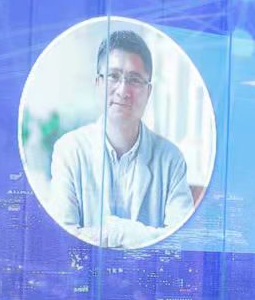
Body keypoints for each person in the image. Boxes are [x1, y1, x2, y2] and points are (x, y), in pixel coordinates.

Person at [48, 29, 192, 249]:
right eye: (113, 76)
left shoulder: (171, 159)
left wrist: (117, 233)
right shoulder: (69, 150)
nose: (123, 90)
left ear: (148, 92)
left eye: (134, 80)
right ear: (98, 83)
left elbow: (181, 241)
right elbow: (63, 239)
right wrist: (146, 236)